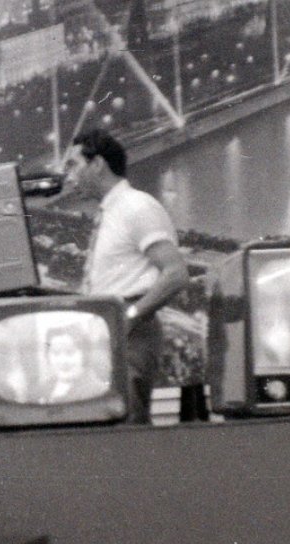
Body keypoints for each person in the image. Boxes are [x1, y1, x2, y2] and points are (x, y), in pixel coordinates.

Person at [63, 128, 188, 423]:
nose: (69, 176)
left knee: (126, 429)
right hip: (111, 331)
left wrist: (129, 317)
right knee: (109, 427)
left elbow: (176, 273)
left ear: (97, 165)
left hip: (129, 334)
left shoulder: (136, 207)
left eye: (73, 165)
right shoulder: (113, 211)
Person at [38, 324, 111, 404]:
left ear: (84, 354)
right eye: (56, 353)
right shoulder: (44, 388)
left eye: (70, 352)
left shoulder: (98, 391)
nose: (63, 361)